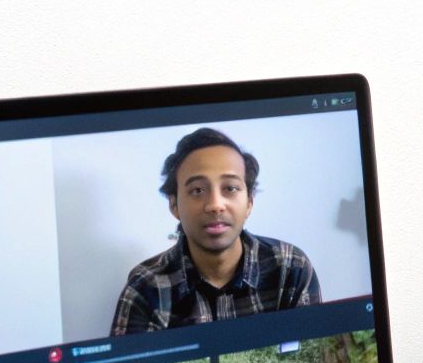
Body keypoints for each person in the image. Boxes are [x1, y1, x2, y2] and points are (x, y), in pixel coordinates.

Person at [112, 127, 322, 333]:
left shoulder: (291, 268)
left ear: (249, 202)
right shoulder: (146, 288)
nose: (215, 205)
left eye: (230, 188)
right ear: (174, 205)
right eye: (197, 190)